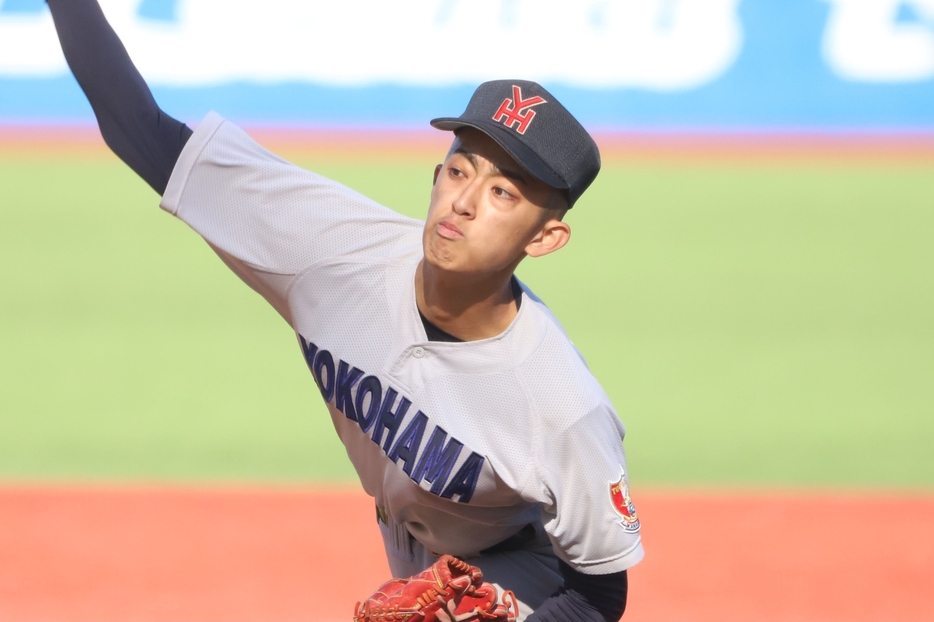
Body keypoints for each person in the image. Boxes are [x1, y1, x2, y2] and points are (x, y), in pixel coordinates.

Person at [44, 1, 644, 620]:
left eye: (502, 193)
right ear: (436, 175)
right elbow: (140, 129)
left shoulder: (563, 409)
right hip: (415, 549)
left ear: (544, 239)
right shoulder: (335, 249)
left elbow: (600, 594)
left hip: (526, 574)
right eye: (459, 171)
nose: (463, 203)